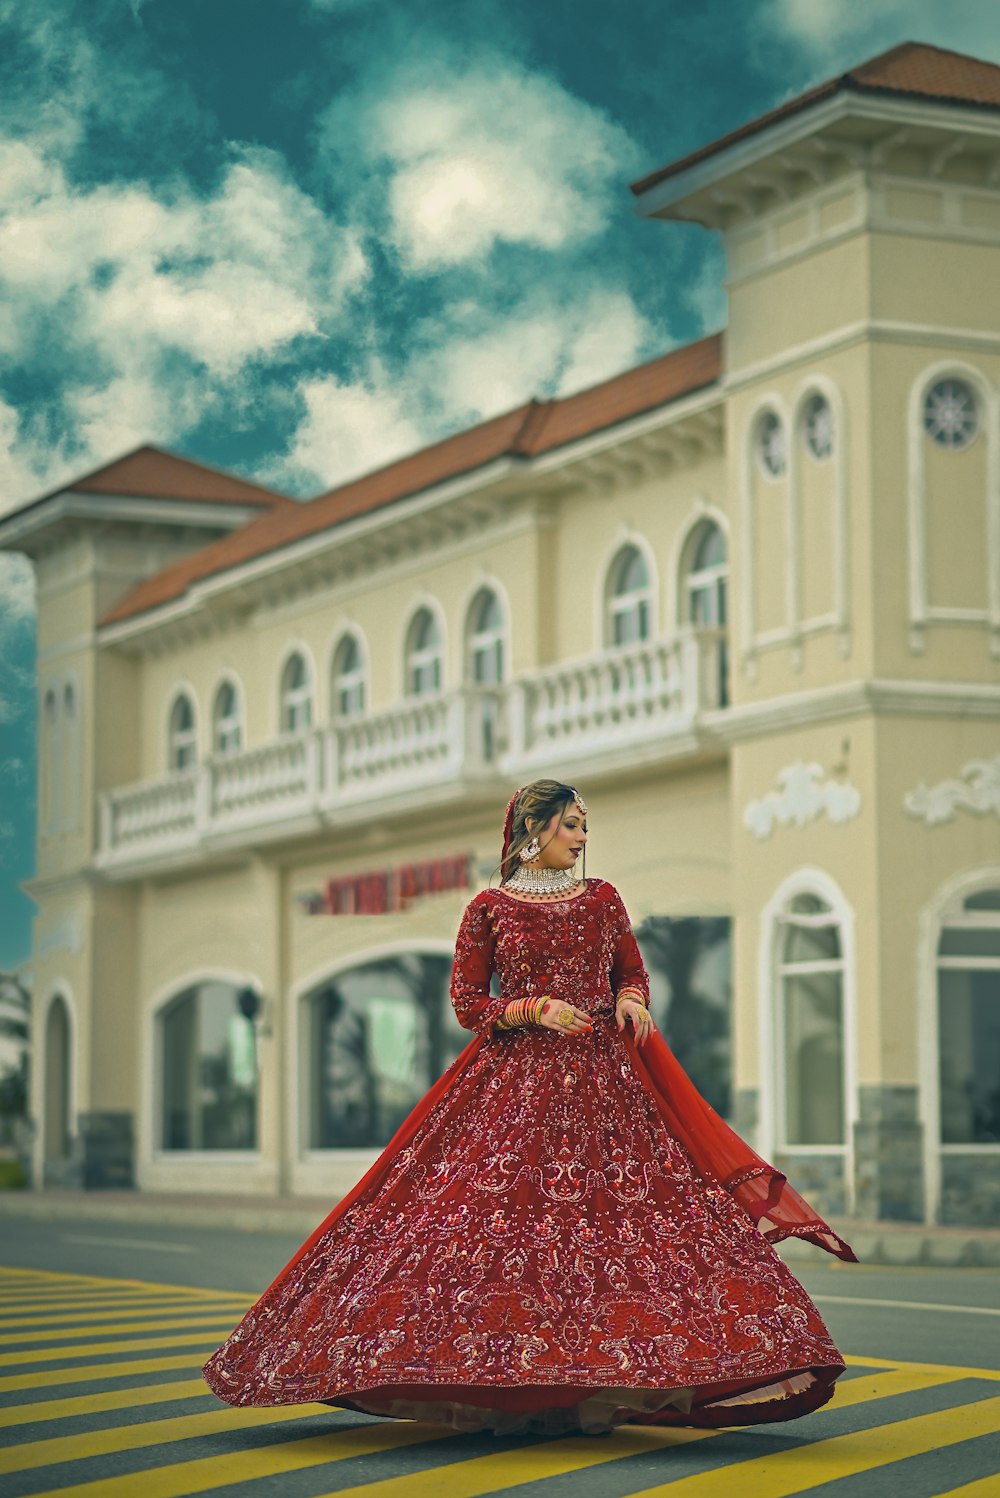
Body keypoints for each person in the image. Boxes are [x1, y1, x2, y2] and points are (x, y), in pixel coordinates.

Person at [203, 778, 856, 1435]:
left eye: (584, 825)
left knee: (627, 1238)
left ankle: (595, 1388)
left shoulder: (603, 900)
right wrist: (531, 1009)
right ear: (532, 830)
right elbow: (466, 1003)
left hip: (606, 1093)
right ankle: (505, 1386)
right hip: (514, 1090)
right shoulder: (488, 908)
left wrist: (631, 999)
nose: (581, 836)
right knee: (494, 1235)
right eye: (570, 824)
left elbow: (631, 969)